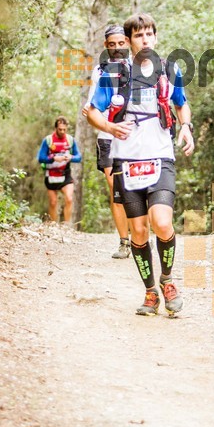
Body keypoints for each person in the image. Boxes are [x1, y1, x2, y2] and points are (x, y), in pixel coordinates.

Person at [87, 12, 194, 316]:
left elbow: (181, 103)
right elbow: (93, 111)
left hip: (161, 156)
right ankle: (150, 292)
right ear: (130, 40)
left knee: (162, 222)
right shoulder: (113, 74)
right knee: (138, 232)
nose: (145, 39)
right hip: (126, 160)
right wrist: (109, 128)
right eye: (138, 35)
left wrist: (185, 127)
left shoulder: (169, 69)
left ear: (155, 37)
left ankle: (168, 280)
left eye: (149, 34)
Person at [82, 24, 131, 259]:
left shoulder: (141, 69)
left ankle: (141, 235)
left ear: (129, 43)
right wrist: (91, 111)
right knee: (115, 190)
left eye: (121, 43)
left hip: (134, 138)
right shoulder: (100, 71)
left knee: (137, 188)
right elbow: (93, 103)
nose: (117, 49)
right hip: (107, 137)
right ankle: (124, 242)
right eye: (112, 45)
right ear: (106, 46)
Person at [38, 116, 82, 223]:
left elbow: (79, 157)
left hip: (65, 174)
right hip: (51, 174)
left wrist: (71, 157)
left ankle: (67, 225)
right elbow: (40, 158)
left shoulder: (70, 140)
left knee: (69, 198)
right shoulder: (48, 140)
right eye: (60, 129)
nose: (62, 131)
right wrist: (53, 158)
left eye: (64, 129)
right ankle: (53, 225)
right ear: (55, 128)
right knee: (53, 202)